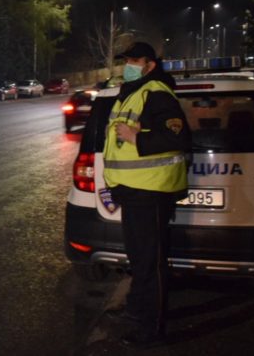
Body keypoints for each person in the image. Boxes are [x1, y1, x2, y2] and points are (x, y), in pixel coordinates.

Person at [102, 42, 191, 348]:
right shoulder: (132, 91)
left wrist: (137, 136)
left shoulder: (157, 92)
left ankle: (150, 329)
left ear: (150, 64)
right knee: (139, 260)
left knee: (151, 263)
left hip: (151, 190)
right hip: (133, 190)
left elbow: (177, 135)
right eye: (126, 60)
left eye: (135, 60)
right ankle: (136, 311)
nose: (128, 65)